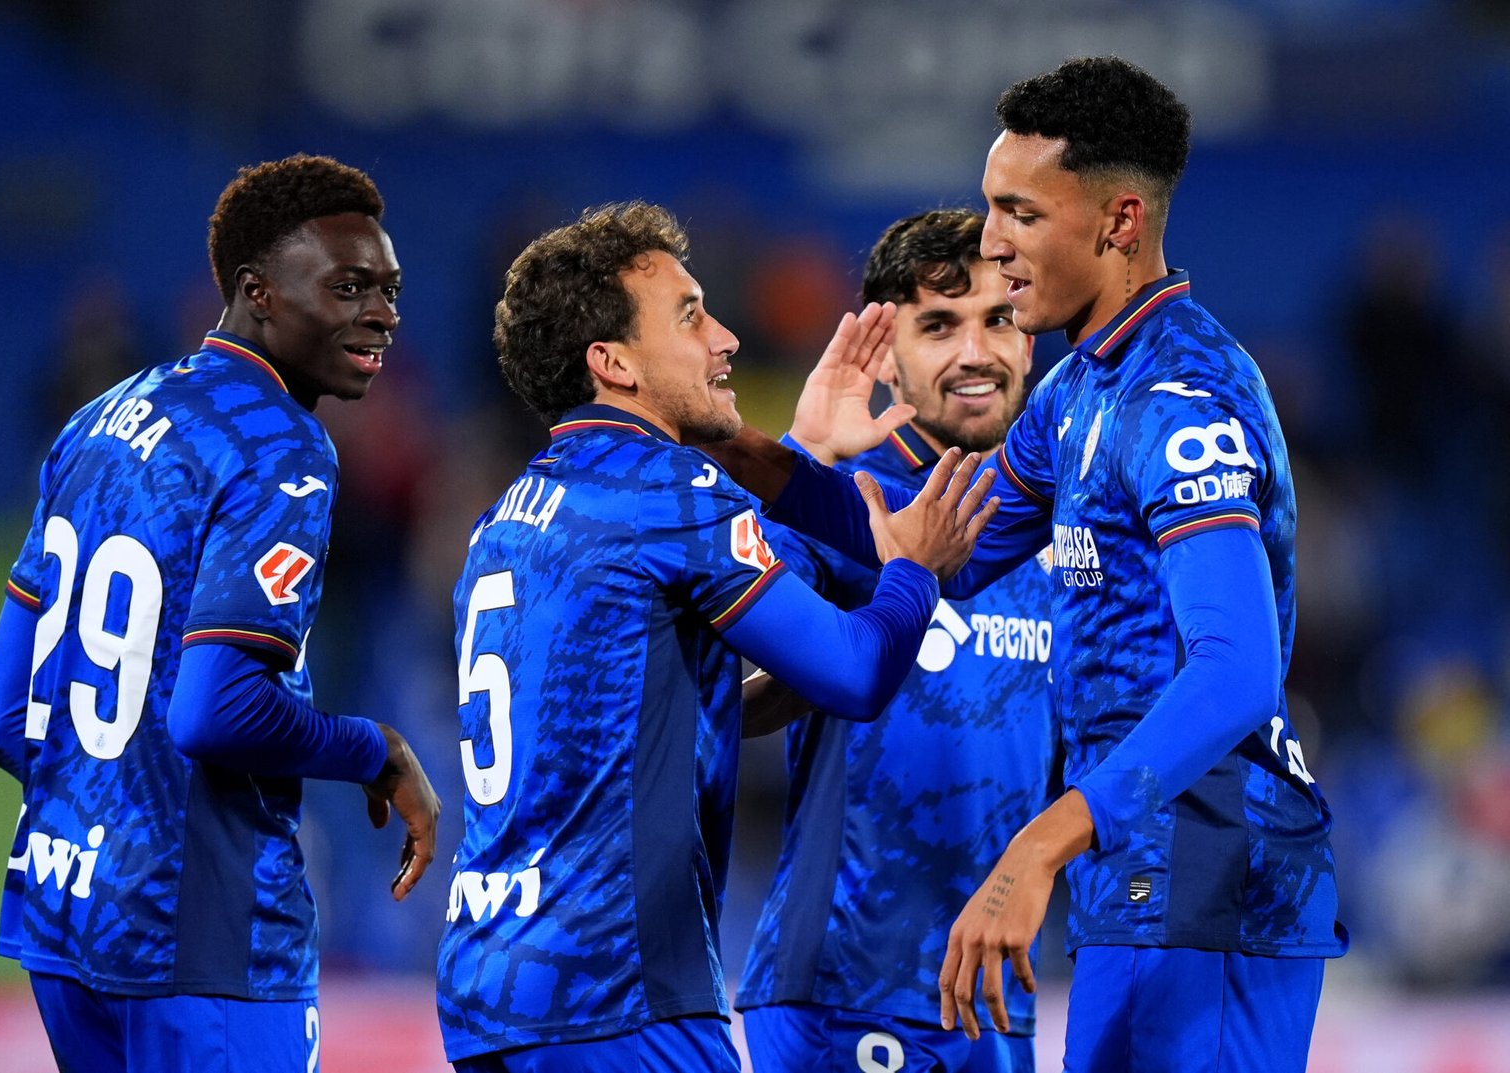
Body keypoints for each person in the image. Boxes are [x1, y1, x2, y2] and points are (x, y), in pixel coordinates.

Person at [702, 57, 1347, 1073]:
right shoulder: (1076, 395)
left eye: (1018, 212)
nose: (992, 242)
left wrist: (1036, 845)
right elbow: (927, 550)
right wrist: (785, 457)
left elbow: (1237, 670)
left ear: (1118, 222)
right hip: (1134, 883)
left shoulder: (1178, 401)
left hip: (1214, 873)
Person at [436, 200, 998, 1073]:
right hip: (620, 991)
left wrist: (804, 453)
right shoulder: (669, 491)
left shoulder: (507, 518)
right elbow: (855, 673)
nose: (725, 338)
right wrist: (915, 568)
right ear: (612, 361)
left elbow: (665, 708)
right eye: (691, 314)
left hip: (488, 990)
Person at [0, 153, 441, 1073]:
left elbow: (1, 714)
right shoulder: (278, 446)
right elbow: (216, 711)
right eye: (348, 287)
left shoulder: (97, 421)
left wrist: (104, 825)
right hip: (203, 940)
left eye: (388, 289)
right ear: (258, 292)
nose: (381, 314)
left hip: (66, 914)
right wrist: (374, 750)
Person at [736, 208, 1057, 1073]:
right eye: (939, 325)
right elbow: (716, 691)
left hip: (997, 1003)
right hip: (847, 988)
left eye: (1000, 318)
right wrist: (800, 457)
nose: (976, 351)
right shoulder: (843, 498)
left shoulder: (1063, 521)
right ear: (889, 353)